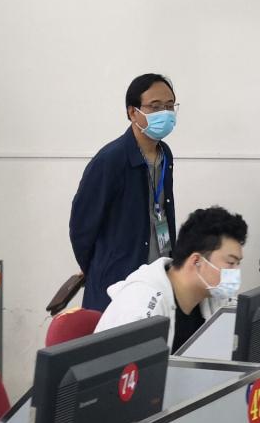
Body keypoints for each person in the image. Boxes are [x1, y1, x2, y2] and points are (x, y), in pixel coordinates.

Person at [70, 73, 179, 311]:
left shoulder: (165, 154)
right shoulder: (110, 160)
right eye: (155, 107)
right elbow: (82, 227)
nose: (165, 113)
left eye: (170, 106)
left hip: (158, 276)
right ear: (132, 112)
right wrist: (98, 269)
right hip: (117, 282)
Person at [95, 206, 247, 352]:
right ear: (196, 261)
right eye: (230, 263)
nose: (235, 272)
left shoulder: (214, 298)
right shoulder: (140, 308)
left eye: (238, 264)